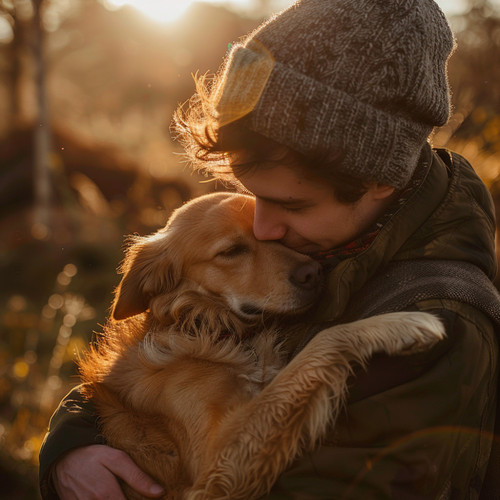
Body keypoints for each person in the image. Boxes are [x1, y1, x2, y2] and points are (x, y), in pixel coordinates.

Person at [39, 0, 500, 498]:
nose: (264, 227)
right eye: (250, 195)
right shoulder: (334, 243)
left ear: (378, 181)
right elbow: (146, 384)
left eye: (290, 204)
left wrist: (334, 351)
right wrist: (70, 444)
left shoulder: (437, 328)